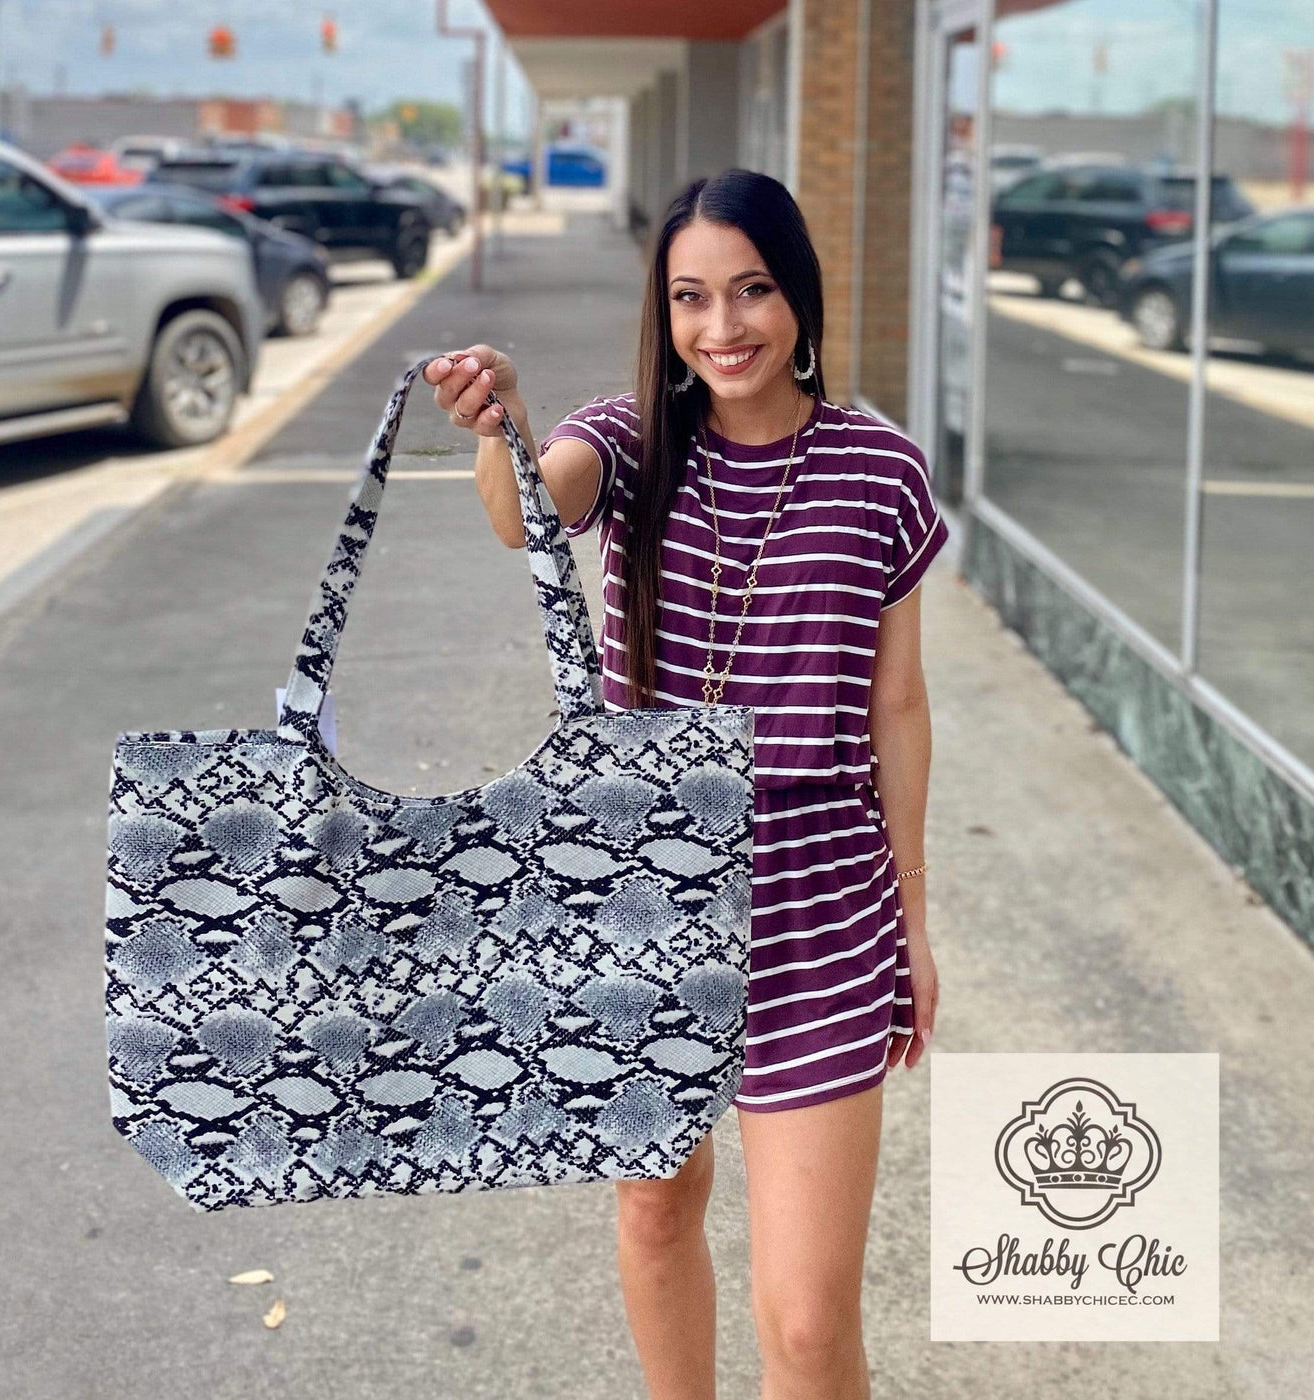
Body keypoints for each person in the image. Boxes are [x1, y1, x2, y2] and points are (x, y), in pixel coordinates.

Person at [423, 167, 947, 1400]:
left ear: (797, 295)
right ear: (662, 314)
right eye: (690, 297)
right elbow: (526, 516)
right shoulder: (629, 440)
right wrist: (499, 424)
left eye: (751, 290)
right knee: (655, 1209)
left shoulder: (879, 469)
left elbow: (897, 704)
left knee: (807, 1321)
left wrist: (914, 918)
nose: (722, 326)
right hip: (642, 891)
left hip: (818, 902)